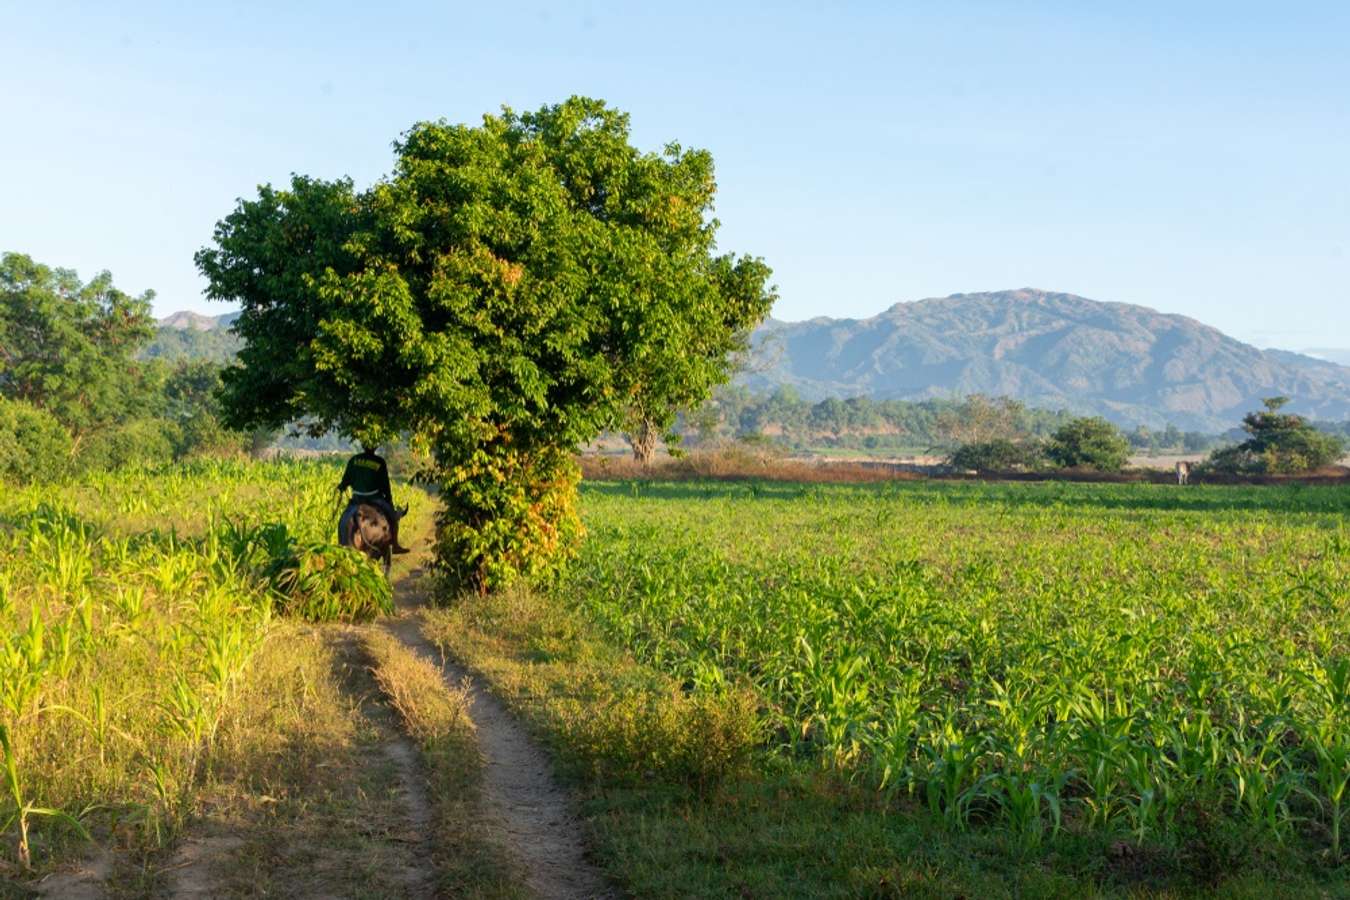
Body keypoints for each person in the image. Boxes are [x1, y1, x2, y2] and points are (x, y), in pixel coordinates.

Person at [336, 445, 410, 554]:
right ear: (375, 447)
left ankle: (341, 545)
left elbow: (345, 481)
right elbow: (385, 485)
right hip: (374, 498)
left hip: (356, 499)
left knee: (343, 519)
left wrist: (341, 487)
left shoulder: (354, 460)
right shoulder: (379, 462)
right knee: (392, 517)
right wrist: (389, 500)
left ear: (362, 446)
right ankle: (395, 545)